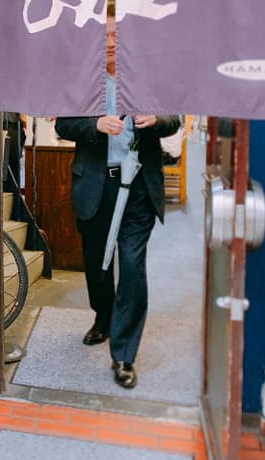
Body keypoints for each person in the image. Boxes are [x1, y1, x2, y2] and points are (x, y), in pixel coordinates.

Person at [54, 19, 180, 390]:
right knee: (97, 263)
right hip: (98, 186)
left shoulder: (149, 75)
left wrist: (156, 119)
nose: (111, 42)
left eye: (117, 36)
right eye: (105, 36)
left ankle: (124, 354)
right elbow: (63, 125)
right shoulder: (83, 78)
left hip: (139, 186)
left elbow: (175, 119)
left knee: (132, 265)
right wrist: (94, 125)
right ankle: (103, 317)